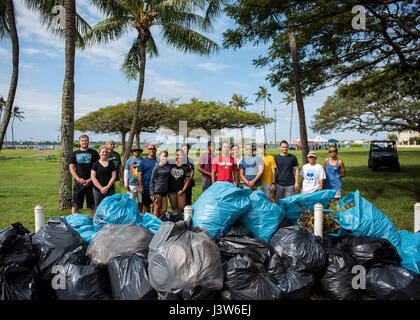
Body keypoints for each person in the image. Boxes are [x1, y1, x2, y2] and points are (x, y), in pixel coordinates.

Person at [68, 134, 99, 217]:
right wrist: (78, 179)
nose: (84, 142)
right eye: (82, 141)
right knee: (75, 205)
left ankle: (94, 223)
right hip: (78, 183)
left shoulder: (94, 153)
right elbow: (71, 167)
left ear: (88, 141)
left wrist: (90, 179)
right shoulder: (74, 154)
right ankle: (74, 223)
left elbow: (97, 167)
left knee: (93, 205)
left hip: (91, 182)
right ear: (79, 142)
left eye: (86, 140)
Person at [91, 146, 117, 210]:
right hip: (97, 190)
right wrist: (101, 188)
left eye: (106, 152)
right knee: (98, 207)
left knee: (109, 206)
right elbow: (93, 177)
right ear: (100, 153)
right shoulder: (95, 164)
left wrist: (107, 187)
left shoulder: (111, 164)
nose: (104, 153)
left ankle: (108, 220)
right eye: (103, 152)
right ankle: (98, 220)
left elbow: (114, 176)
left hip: (110, 189)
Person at [150, 151, 171, 217]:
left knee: (164, 210)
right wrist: (152, 194)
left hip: (165, 190)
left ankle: (160, 221)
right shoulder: (156, 168)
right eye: (163, 156)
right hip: (157, 190)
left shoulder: (168, 166)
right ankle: (155, 224)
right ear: (159, 157)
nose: (164, 158)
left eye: (166, 156)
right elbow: (152, 181)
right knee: (157, 208)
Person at [138, 144, 158, 213]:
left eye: (153, 149)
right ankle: (147, 219)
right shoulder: (143, 162)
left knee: (156, 205)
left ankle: (154, 219)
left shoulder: (158, 161)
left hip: (157, 187)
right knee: (146, 206)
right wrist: (140, 187)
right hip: (146, 186)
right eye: (150, 149)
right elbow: (140, 175)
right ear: (147, 150)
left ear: (156, 150)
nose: (151, 150)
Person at [124, 145, 144, 212]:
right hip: (131, 184)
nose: (136, 152)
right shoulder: (129, 161)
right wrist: (126, 183)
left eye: (138, 150)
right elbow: (126, 172)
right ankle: (131, 215)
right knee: (131, 202)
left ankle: (140, 214)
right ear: (132, 152)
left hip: (140, 185)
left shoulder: (142, 160)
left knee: (140, 201)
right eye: (135, 150)